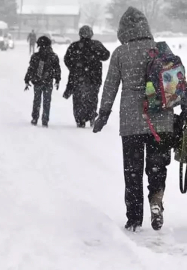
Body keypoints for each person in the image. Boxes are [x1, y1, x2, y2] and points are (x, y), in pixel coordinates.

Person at [93, 7, 182, 232]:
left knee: (132, 171)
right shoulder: (160, 49)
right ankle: (156, 201)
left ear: (123, 30)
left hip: (132, 121)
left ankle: (134, 218)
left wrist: (103, 114)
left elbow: (110, 86)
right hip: (161, 120)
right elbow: (175, 82)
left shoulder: (121, 53)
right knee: (157, 167)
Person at [64, 25, 110, 128]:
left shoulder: (74, 46)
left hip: (77, 78)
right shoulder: (96, 45)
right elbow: (106, 55)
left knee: (78, 100)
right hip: (94, 78)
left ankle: (80, 119)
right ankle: (91, 115)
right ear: (91, 34)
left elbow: (67, 59)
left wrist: (74, 67)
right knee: (92, 98)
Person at [24, 36, 61, 127]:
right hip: (48, 82)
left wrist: (27, 79)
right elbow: (57, 69)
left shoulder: (36, 56)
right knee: (47, 101)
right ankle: (45, 119)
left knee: (37, 100)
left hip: (37, 81)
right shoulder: (53, 56)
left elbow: (31, 69)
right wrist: (57, 79)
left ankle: (35, 118)